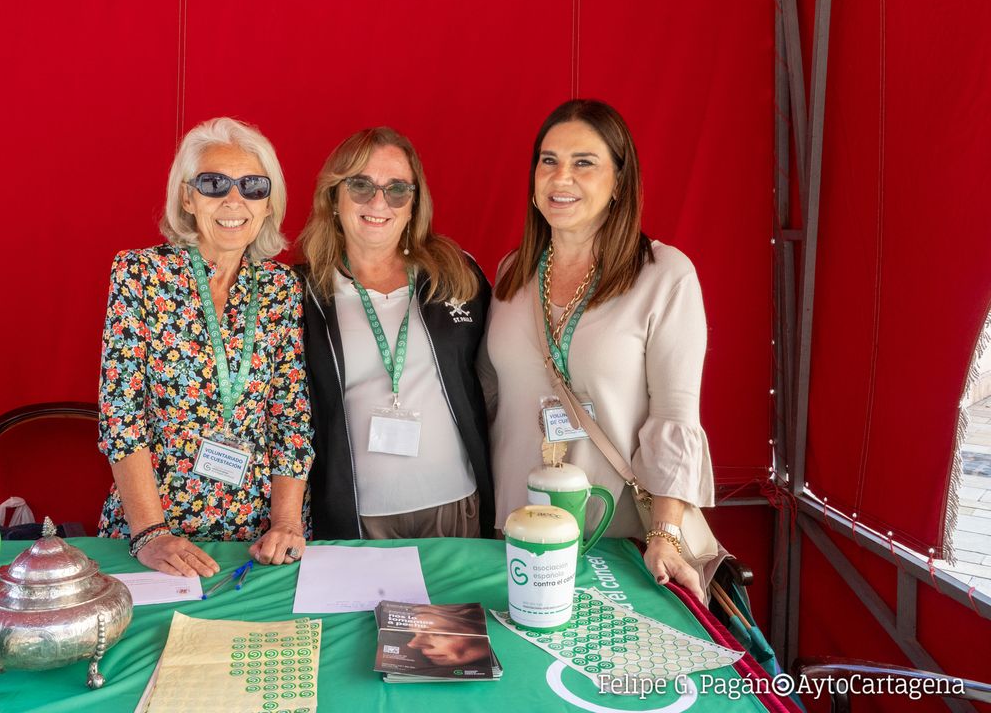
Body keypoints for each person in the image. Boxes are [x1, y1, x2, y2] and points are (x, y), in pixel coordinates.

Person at [482, 99, 718, 599]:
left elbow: (675, 417)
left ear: (619, 182)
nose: (561, 177)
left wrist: (664, 534)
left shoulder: (664, 276)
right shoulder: (510, 274)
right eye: (549, 161)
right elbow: (491, 397)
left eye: (584, 163)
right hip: (520, 533)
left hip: (620, 540)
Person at [97, 117, 314, 576]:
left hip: (262, 535)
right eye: (214, 183)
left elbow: (290, 414)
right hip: (157, 533)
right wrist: (150, 533)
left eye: (253, 186)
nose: (235, 200)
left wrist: (288, 523)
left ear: (268, 200)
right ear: (187, 196)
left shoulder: (280, 286)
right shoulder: (140, 274)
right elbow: (121, 415)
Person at [297, 126, 494, 539]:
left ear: (413, 204)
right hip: (355, 515)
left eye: (397, 190)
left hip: (454, 505)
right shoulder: (301, 291)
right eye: (361, 186)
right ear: (334, 197)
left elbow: (497, 383)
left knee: (458, 608)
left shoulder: (457, 275)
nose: (379, 202)